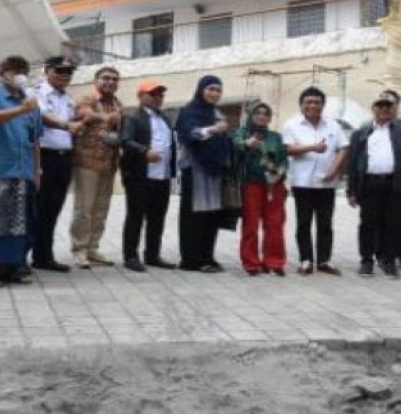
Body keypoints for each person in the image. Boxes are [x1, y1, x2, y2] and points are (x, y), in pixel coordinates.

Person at [0, 55, 42, 287]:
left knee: (19, 222)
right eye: (13, 71)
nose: (19, 75)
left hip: (22, 171)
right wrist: (22, 109)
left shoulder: (30, 100)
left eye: (23, 70)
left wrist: (37, 171)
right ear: (3, 74)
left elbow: (36, 138)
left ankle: (11, 267)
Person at [346, 90, 401, 278]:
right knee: (368, 223)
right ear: (373, 109)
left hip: (395, 184)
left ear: (394, 109)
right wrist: (351, 190)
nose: (384, 109)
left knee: (393, 224)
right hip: (369, 184)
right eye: (380, 106)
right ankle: (366, 261)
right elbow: (353, 163)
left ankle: (388, 260)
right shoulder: (361, 133)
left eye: (388, 106)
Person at [282, 86, 349, 276]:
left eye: (317, 102)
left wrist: (334, 169)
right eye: (308, 102)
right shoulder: (292, 125)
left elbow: (344, 147)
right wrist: (311, 147)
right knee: (304, 223)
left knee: (325, 224)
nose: (313, 105)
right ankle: (305, 260)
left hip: (326, 183)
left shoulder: (333, 125)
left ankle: (324, 261)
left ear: (323, 105)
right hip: (302, 183)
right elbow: (285, 149)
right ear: (302, 105)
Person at [119, 80, 178, 272]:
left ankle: (152, 254)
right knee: (136, 216)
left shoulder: (165, 119)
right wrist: (144, 151)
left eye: (161, 95)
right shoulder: (132, 118)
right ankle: (130, 256)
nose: (158, 98)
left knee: (157, 218)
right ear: (141, 96)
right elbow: (125, 141)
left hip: (162, 176)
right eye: (153, 94)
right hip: (140, 176)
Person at [176, 75, 233, 273]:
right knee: (194, 215)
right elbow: (189, 133)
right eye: (211, 89)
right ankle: (191, 260)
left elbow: (224, 140)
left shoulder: (216, 112)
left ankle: (207, 257)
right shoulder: (189, 111)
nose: (214, 93)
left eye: (218, 90)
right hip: (195, 169)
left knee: (212, 214)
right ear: (201, 90)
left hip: (214, 171)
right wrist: (214, 129)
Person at [31, 55, 80, 273]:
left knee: (53, 209)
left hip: (64, 158)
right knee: (35, 208)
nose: (65, 75)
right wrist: (67, 125)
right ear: (47, 70)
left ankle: (43, 256)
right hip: (44, 156)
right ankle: (20, 256)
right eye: (60, 70)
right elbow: (42, 116)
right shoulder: (36, 92)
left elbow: (77, 122)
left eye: (69, 72)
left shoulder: (68, 99)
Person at [70, 66, 122, 269]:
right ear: (96, 81)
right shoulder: (88, 97)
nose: (110, 82)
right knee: (84, 209)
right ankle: (79, 250)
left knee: (101, 209)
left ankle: (93, 248)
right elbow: (84, 114)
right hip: (87, 162)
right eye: (105, 78)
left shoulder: (117, 103)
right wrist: (105, 118)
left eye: (114, 79)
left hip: (108, 163)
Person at [234, 101, 289, 276]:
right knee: (250, 224)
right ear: (251, 115)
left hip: (274, 184)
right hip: (252, 184)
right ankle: (251, 262)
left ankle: (274, 261)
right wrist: (247, 144)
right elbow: (237, 145)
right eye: (258, 113)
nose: (262, 116)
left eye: (266, 114)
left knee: (275, 224)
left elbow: (283, 158)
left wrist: (280, 172)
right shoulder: (242, 133)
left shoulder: (275, 136)